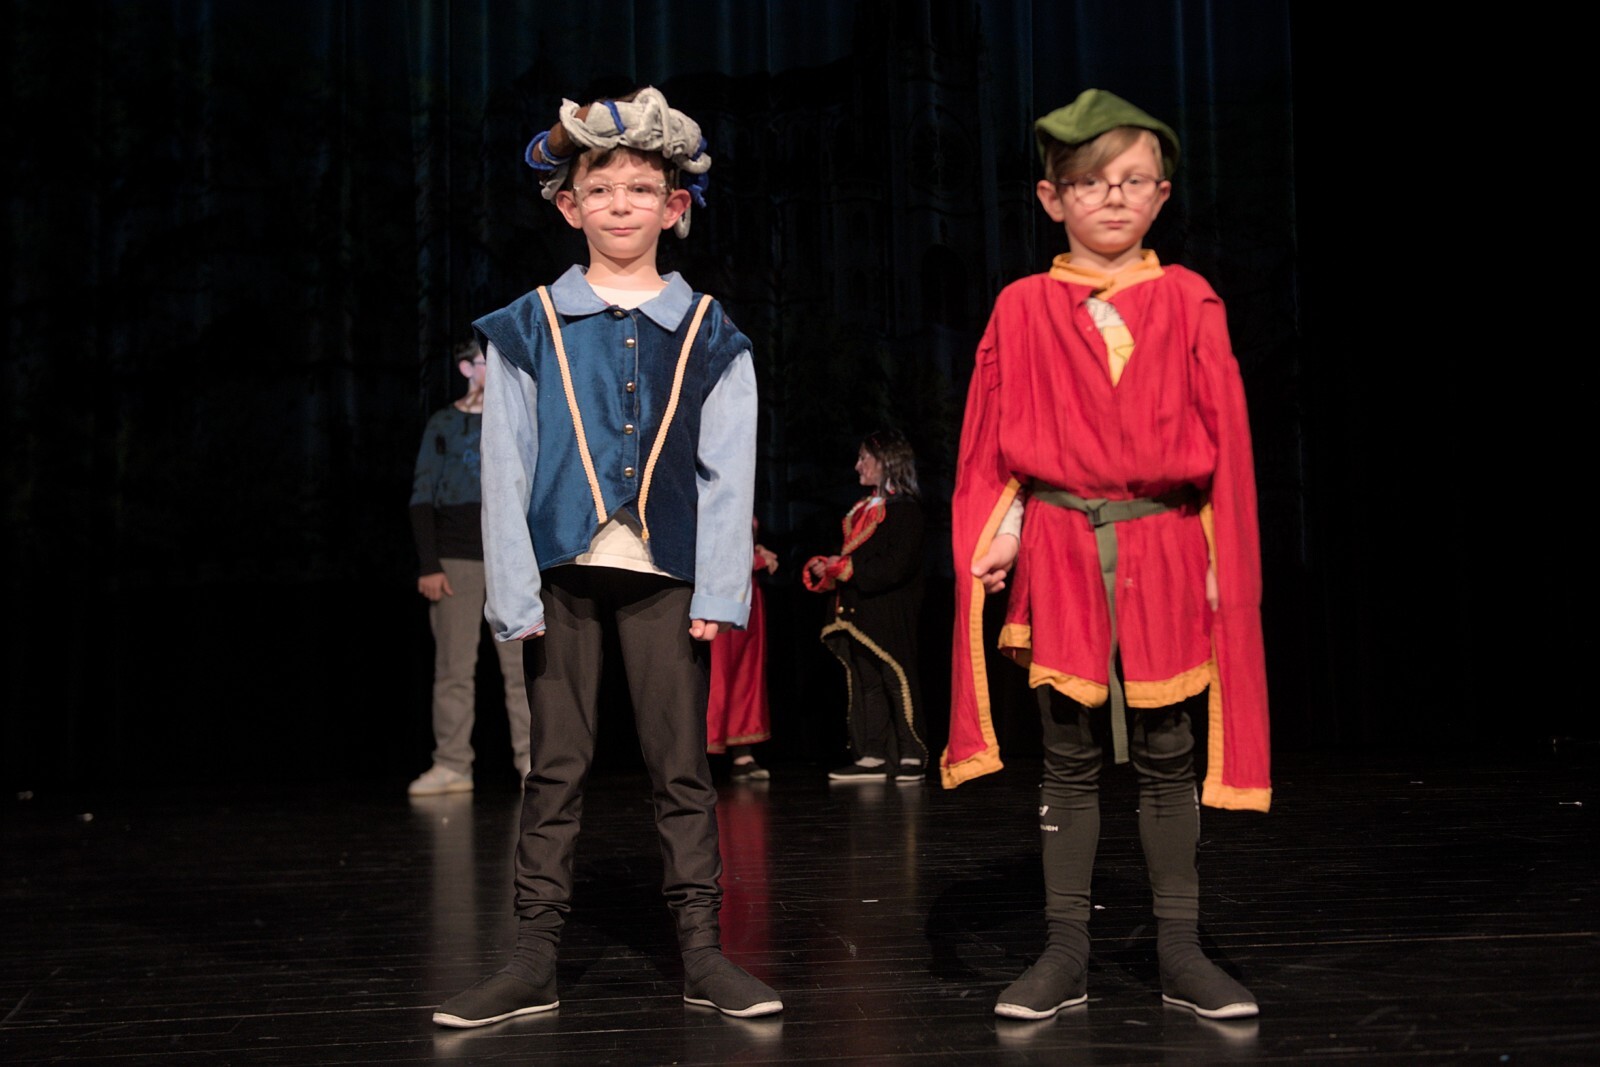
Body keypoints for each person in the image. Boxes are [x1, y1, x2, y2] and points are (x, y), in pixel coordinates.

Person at [430, 86, 782, 1028]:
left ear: (674, 206)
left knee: (681, 767)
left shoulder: (711, 331)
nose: (621, 204)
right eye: (601, 188)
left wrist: (719, 588)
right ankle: (532, 960)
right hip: (562, 576)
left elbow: (728, 467)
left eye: (641, 188)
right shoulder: (526, 326)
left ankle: (703, 953)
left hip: (666, 577)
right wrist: (513, 594)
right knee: (556, 767)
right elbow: (505, 467)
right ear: (569, 205)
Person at [941, 89, 1271, 1021]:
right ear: (1053, 199)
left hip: (1165, 543)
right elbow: (992, 443)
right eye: (1090, 182)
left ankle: (1180, 950)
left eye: (1132, 181)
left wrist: (1225, 558)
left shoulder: (1190, 299)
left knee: (1168, 749)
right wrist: (1002, 530)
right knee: (1068, 752)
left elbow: (1226, 440)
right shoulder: (1021, 307)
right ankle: (1065, 953)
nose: (1112, 197)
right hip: (1059, 548)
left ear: (1161, 195)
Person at [407, 342, 531, 796]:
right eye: (484, 363)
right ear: (465, 368)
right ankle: (452, 764)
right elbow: (422, 496)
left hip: (508, 558)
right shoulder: (443, 423)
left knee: (521, 671)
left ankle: (532, 762)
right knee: (454, 668)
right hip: (456, 559)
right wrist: (429, 564)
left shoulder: (513, 419)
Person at [804, 430, 929, 784]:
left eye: (864, 458)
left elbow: (895, 565)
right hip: (859, 610)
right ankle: (872, 754)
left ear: (886, 462)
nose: (857, 466)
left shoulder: (905, 511)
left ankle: (911, 752)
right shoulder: (862, 510)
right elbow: (856, 555)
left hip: (888, 610)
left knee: (894, 676)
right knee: (866, 680)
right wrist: (830, 567)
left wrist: (846, 568)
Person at [707, 517, 778, 781]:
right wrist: (757, 560)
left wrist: (755, 551)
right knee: (717, 674)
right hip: (720, 595)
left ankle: (742, 752)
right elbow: (714, 551)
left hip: (747, 595)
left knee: (747, 673)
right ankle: (702, 753)